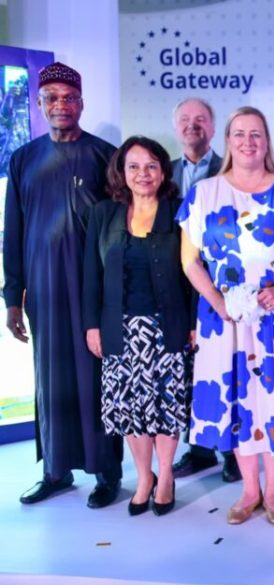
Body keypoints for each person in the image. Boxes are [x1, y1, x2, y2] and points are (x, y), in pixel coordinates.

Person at [177, 106, 274, 525]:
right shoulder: (203, 194)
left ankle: (273, 492)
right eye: (239, 133)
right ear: (227, 141)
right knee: (239, 402)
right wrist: (217, 301)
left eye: (256, 134)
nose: (247, 141)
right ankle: (249, 491)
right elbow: (189, 261)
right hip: (225, 321)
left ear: (267, 141)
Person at [3, 62, 123, 508]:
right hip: (44, 290)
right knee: (51, 379)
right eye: (51, 98)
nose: (61, 105)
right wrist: (12, 298)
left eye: (69, 98)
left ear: (82, 103)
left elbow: (121, 228)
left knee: (97, 377)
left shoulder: (105, 156)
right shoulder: (23, 159)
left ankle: (107, 471)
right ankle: (56, 470)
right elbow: (13, 232)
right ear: (39, 104)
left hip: (94, 288)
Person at [83, 136, 193, 516]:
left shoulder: (179, 211)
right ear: (122, 172)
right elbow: (91, 276)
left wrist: (194, 323)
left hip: (168, 326)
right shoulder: (103, 214)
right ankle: (144, 477)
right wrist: (92, 325)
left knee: (166, 406)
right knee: (130, 410)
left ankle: (166, 476)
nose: (142, 174)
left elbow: (195, 271)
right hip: (118, 328)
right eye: (133, 166)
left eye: (150, 166)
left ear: (163, 171)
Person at [168, 97, 239, 483]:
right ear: (175, 127)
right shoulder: (161, 173)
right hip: (173, 287)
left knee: (222, 370)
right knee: (186, 374)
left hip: (216, 289)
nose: (192, 125)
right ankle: (198, 450)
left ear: (213, 128)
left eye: (200, 119)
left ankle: (230, 451)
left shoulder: (231, 171)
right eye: (184, 119)